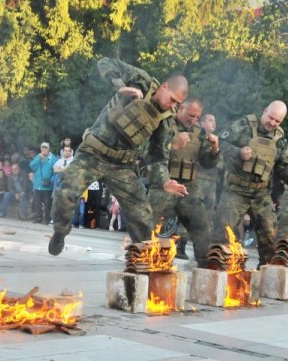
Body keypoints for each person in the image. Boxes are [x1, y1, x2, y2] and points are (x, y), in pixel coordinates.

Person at [48, 57, 188, 256]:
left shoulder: (165, 119)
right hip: (93, 154)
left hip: (121, 166)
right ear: (164, 87)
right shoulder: (142, 80)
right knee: (66, 193)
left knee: (142, 214)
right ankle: (60, 232)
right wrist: (120, 86)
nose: (172, 105)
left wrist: (165, 182)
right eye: (172, 99)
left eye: (177, 103)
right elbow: (105, 63)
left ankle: (144, 258)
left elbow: (158, 156)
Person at [211, 101, 288, 267]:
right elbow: (219, 144)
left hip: (261, 193)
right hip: (236, 190)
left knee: (271, 238)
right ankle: (219, 272)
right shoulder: (242, 126)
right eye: (271, 118)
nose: (273, 123)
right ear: (265, 110)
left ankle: (268, 275)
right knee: (222, 235)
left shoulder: (280, 138)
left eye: (278, 121)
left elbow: (283, 166)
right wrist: (238, 152)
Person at [147, 97, 220, 267]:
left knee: (202, 227)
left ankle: (205, 266)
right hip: (164, 184)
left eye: (196, 117)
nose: (193, 120)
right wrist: (174, 147)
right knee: (148, 226)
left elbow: (207, 163)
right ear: (181, 108)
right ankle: (142, 262)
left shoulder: (199, 132)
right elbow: (147, 155)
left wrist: (215, 149)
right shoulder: (164, 124)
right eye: (190, 115)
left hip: (188, 187)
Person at [30, 142, 57, 224]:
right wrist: (38, 158)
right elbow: (32, 166)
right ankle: (38, 217)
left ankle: (47, 218)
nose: (44, 149)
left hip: (47, 185)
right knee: (37, 203)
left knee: (47, 203)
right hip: (38, 184)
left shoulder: (53, 158)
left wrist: (51, 180)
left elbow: (55, 172)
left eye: (46, 147)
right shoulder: (38, 156)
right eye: (43, 147)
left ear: (49, 149)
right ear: (41, 148)